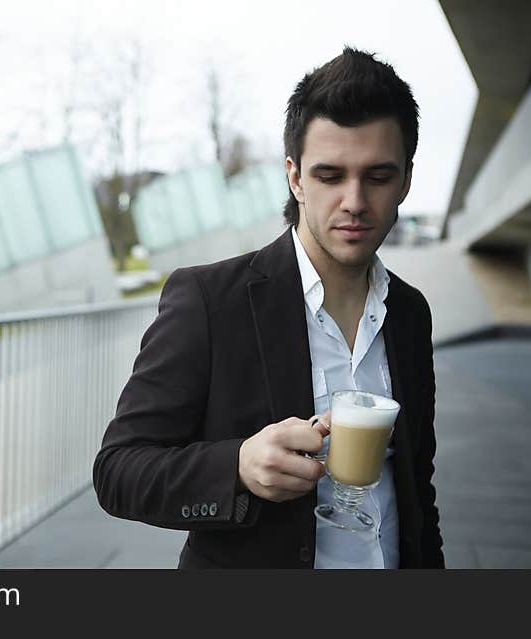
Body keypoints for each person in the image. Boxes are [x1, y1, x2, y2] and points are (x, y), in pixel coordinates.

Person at [92, 47, 444, 569]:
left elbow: (417, 490)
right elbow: (118, 471)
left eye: (377, 176)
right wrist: (235, 466)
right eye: (329, 175)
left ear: (406, 180)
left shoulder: (411, 313)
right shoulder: (210, 301)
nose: (353, 201)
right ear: (295, 178)